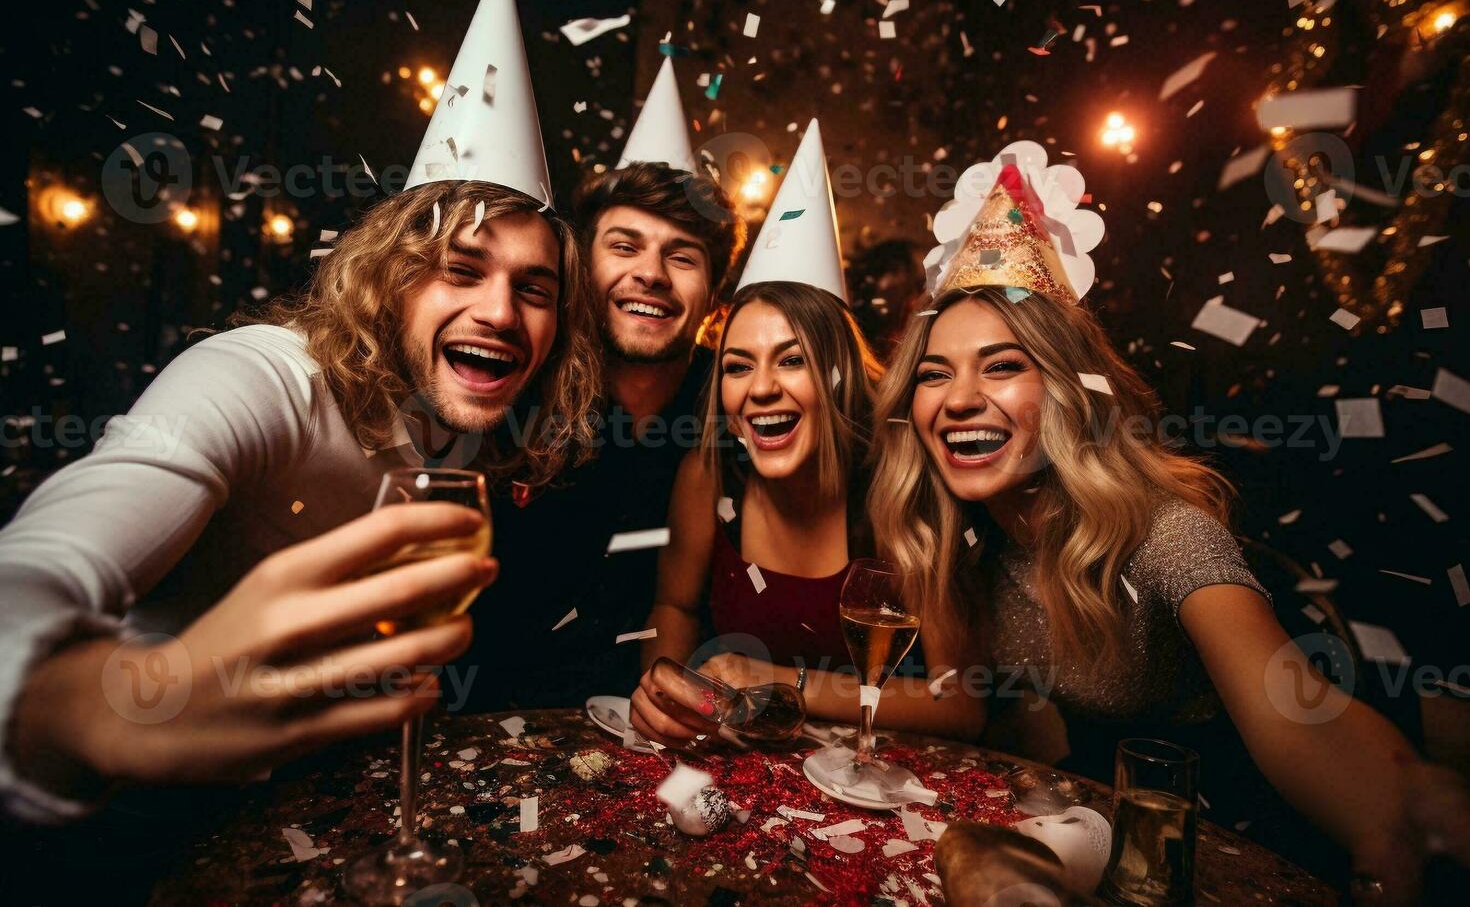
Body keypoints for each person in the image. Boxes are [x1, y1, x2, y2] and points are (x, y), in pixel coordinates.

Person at [0, 0, 602, 822]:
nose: (500, 312)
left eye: (534, 288)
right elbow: (32, 572)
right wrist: (94, 706)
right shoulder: (260, 377)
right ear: (392, 278)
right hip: (127, 829)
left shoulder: (466, 422)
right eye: (458, 270)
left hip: (304, 815)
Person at [868, 144, 1470, 901]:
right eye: (933, 373)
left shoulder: (1163, 535)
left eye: (1002, 365)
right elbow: (961, 701)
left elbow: (1295, 713)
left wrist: (1392, 812)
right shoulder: (965, 536)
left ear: (1067, 392)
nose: (956, 399)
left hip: (1244, 840)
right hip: (1112, 828)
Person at [630, 120, 987, 748]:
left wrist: (773, 682)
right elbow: (675, 607)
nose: (760, 388)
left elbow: (962, 703)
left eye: (792, 360)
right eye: (738, 366)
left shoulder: (899, 483)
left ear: (839, 374)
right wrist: (667, 691)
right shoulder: (713, 473)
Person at [461, 57, 745, 710]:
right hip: (477, 720)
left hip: (644, 734)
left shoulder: (733, 406)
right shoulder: (507, 383)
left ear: (715, 294)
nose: (651, 273)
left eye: (682, 256)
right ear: (580, 269)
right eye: (624, 246)